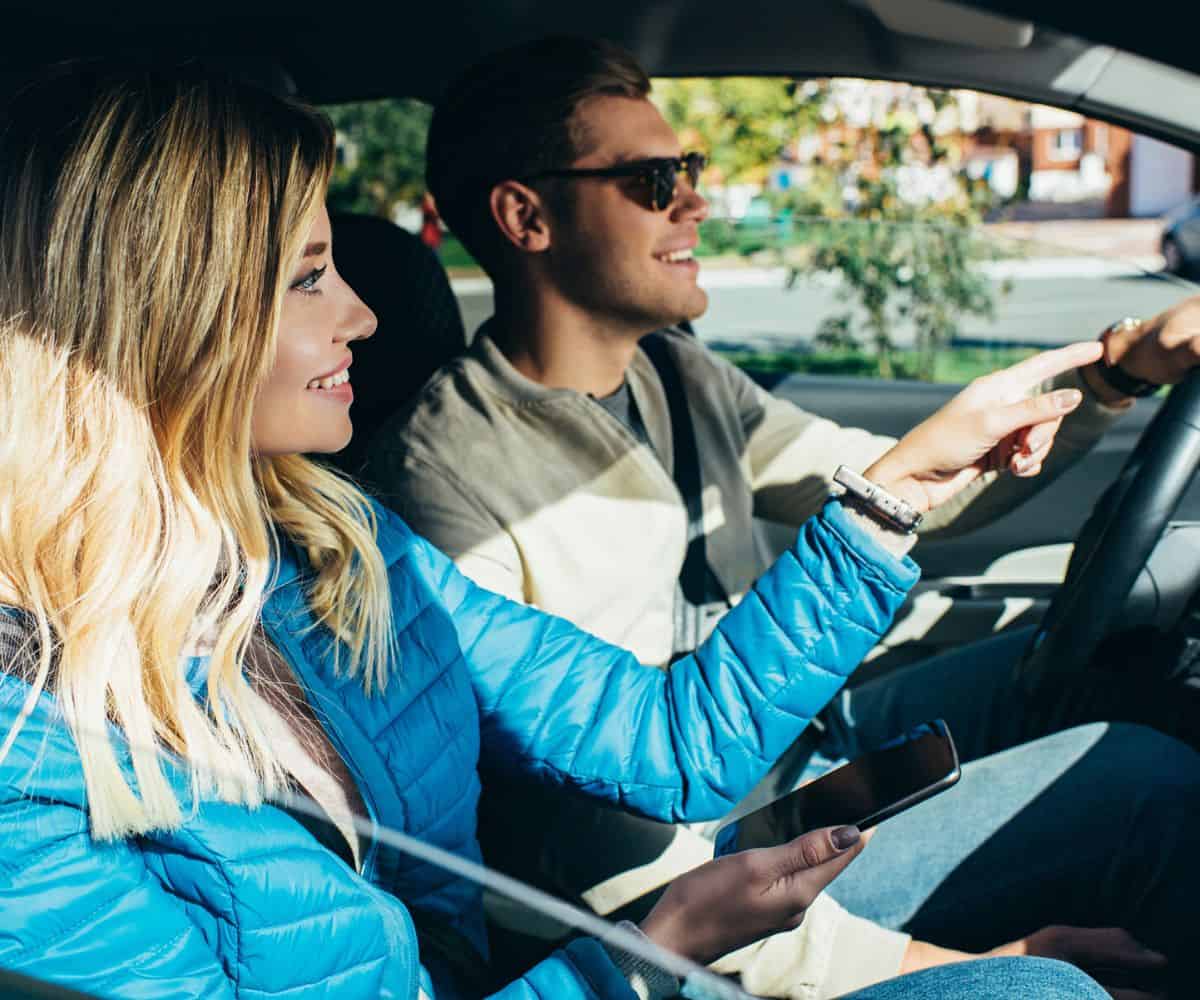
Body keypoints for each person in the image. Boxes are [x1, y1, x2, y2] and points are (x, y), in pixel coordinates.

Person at [0, 59, 1120, 1000]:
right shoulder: (29, 761)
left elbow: (670, 742)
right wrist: (648, 954)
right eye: (309, 279)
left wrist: (896, 492)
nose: (366, 313)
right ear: (163, 318)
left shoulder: (337, 545)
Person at [363, 36, 1200, 999]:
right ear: (526, 217)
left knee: (1083, 670)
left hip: (788, 765)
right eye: (652, 179)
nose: (695, 200)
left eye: (691, 170)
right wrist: (965, 965)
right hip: (706, 874)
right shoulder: (442, 488)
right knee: (1147, 783)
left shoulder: (676, 373)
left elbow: (909, 489)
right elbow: (607, 869)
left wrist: (1111, 377)